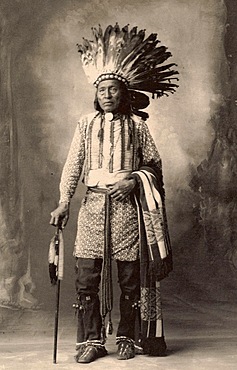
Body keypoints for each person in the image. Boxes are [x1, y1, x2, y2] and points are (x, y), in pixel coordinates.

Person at [50, 24, 178, 364]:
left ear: (124, 92)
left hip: (128, 211)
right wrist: (64, 200)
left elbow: (154, 165)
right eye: (102, 89)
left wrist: (134, 180)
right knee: (87, 275)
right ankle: (90, 340)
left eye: (113, 88)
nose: (107, 94)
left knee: (129, 278)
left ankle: (127, 338)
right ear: (96, 93)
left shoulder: (138, 126)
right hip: (92, 206)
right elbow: (73, 166)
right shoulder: (85, 124)